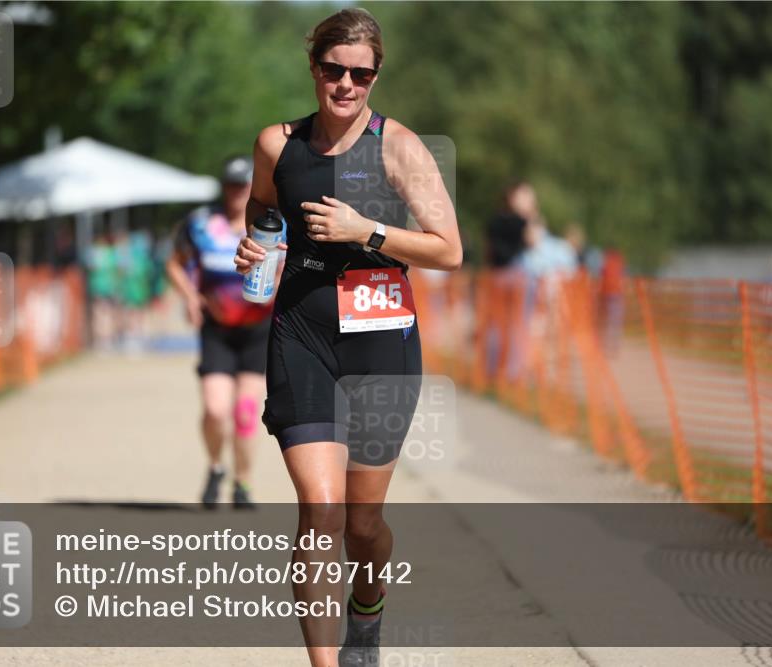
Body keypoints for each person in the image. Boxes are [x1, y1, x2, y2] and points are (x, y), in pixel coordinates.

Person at [233, 8, 462, 666]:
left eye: (361, 74)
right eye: (334, 70)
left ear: (376, 76)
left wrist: (367, 231)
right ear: (314, 68)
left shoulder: (400, 147)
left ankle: (368, 607)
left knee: (362, 526)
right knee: (321, 510)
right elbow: (261, 207)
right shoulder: (277, 144)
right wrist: (258, 244)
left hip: (379, 343)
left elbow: (449, 249)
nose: (346, 84)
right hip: (301, 332)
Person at [166, 155, 284, 509]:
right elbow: (174, 263)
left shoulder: (273, 224)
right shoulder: (202, 223)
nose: (238, 193)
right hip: (217, 328)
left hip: (257, 328)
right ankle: (217, 466)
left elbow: (290, 265)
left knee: (246, 412)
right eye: (232, 185)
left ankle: (243, 482)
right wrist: (190, 297)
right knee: (216, 411)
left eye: (245, 185)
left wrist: (279, 286)